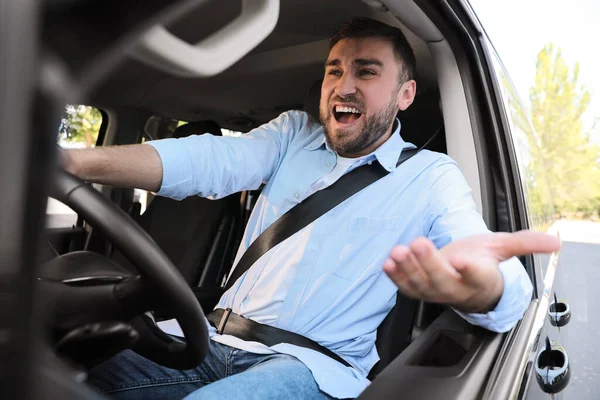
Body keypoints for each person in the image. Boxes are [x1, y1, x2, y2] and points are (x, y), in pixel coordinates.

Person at [62, 17, 560, 400]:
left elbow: (503, 286)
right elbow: (209, 159)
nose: (344, 86)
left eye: (367, 72)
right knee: (59, 362)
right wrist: (71, 162)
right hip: (206, 337)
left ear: (405, 94)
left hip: (308, 367)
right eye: (334, 70)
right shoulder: (292, 136)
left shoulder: (431, 177)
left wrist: (483, 287)